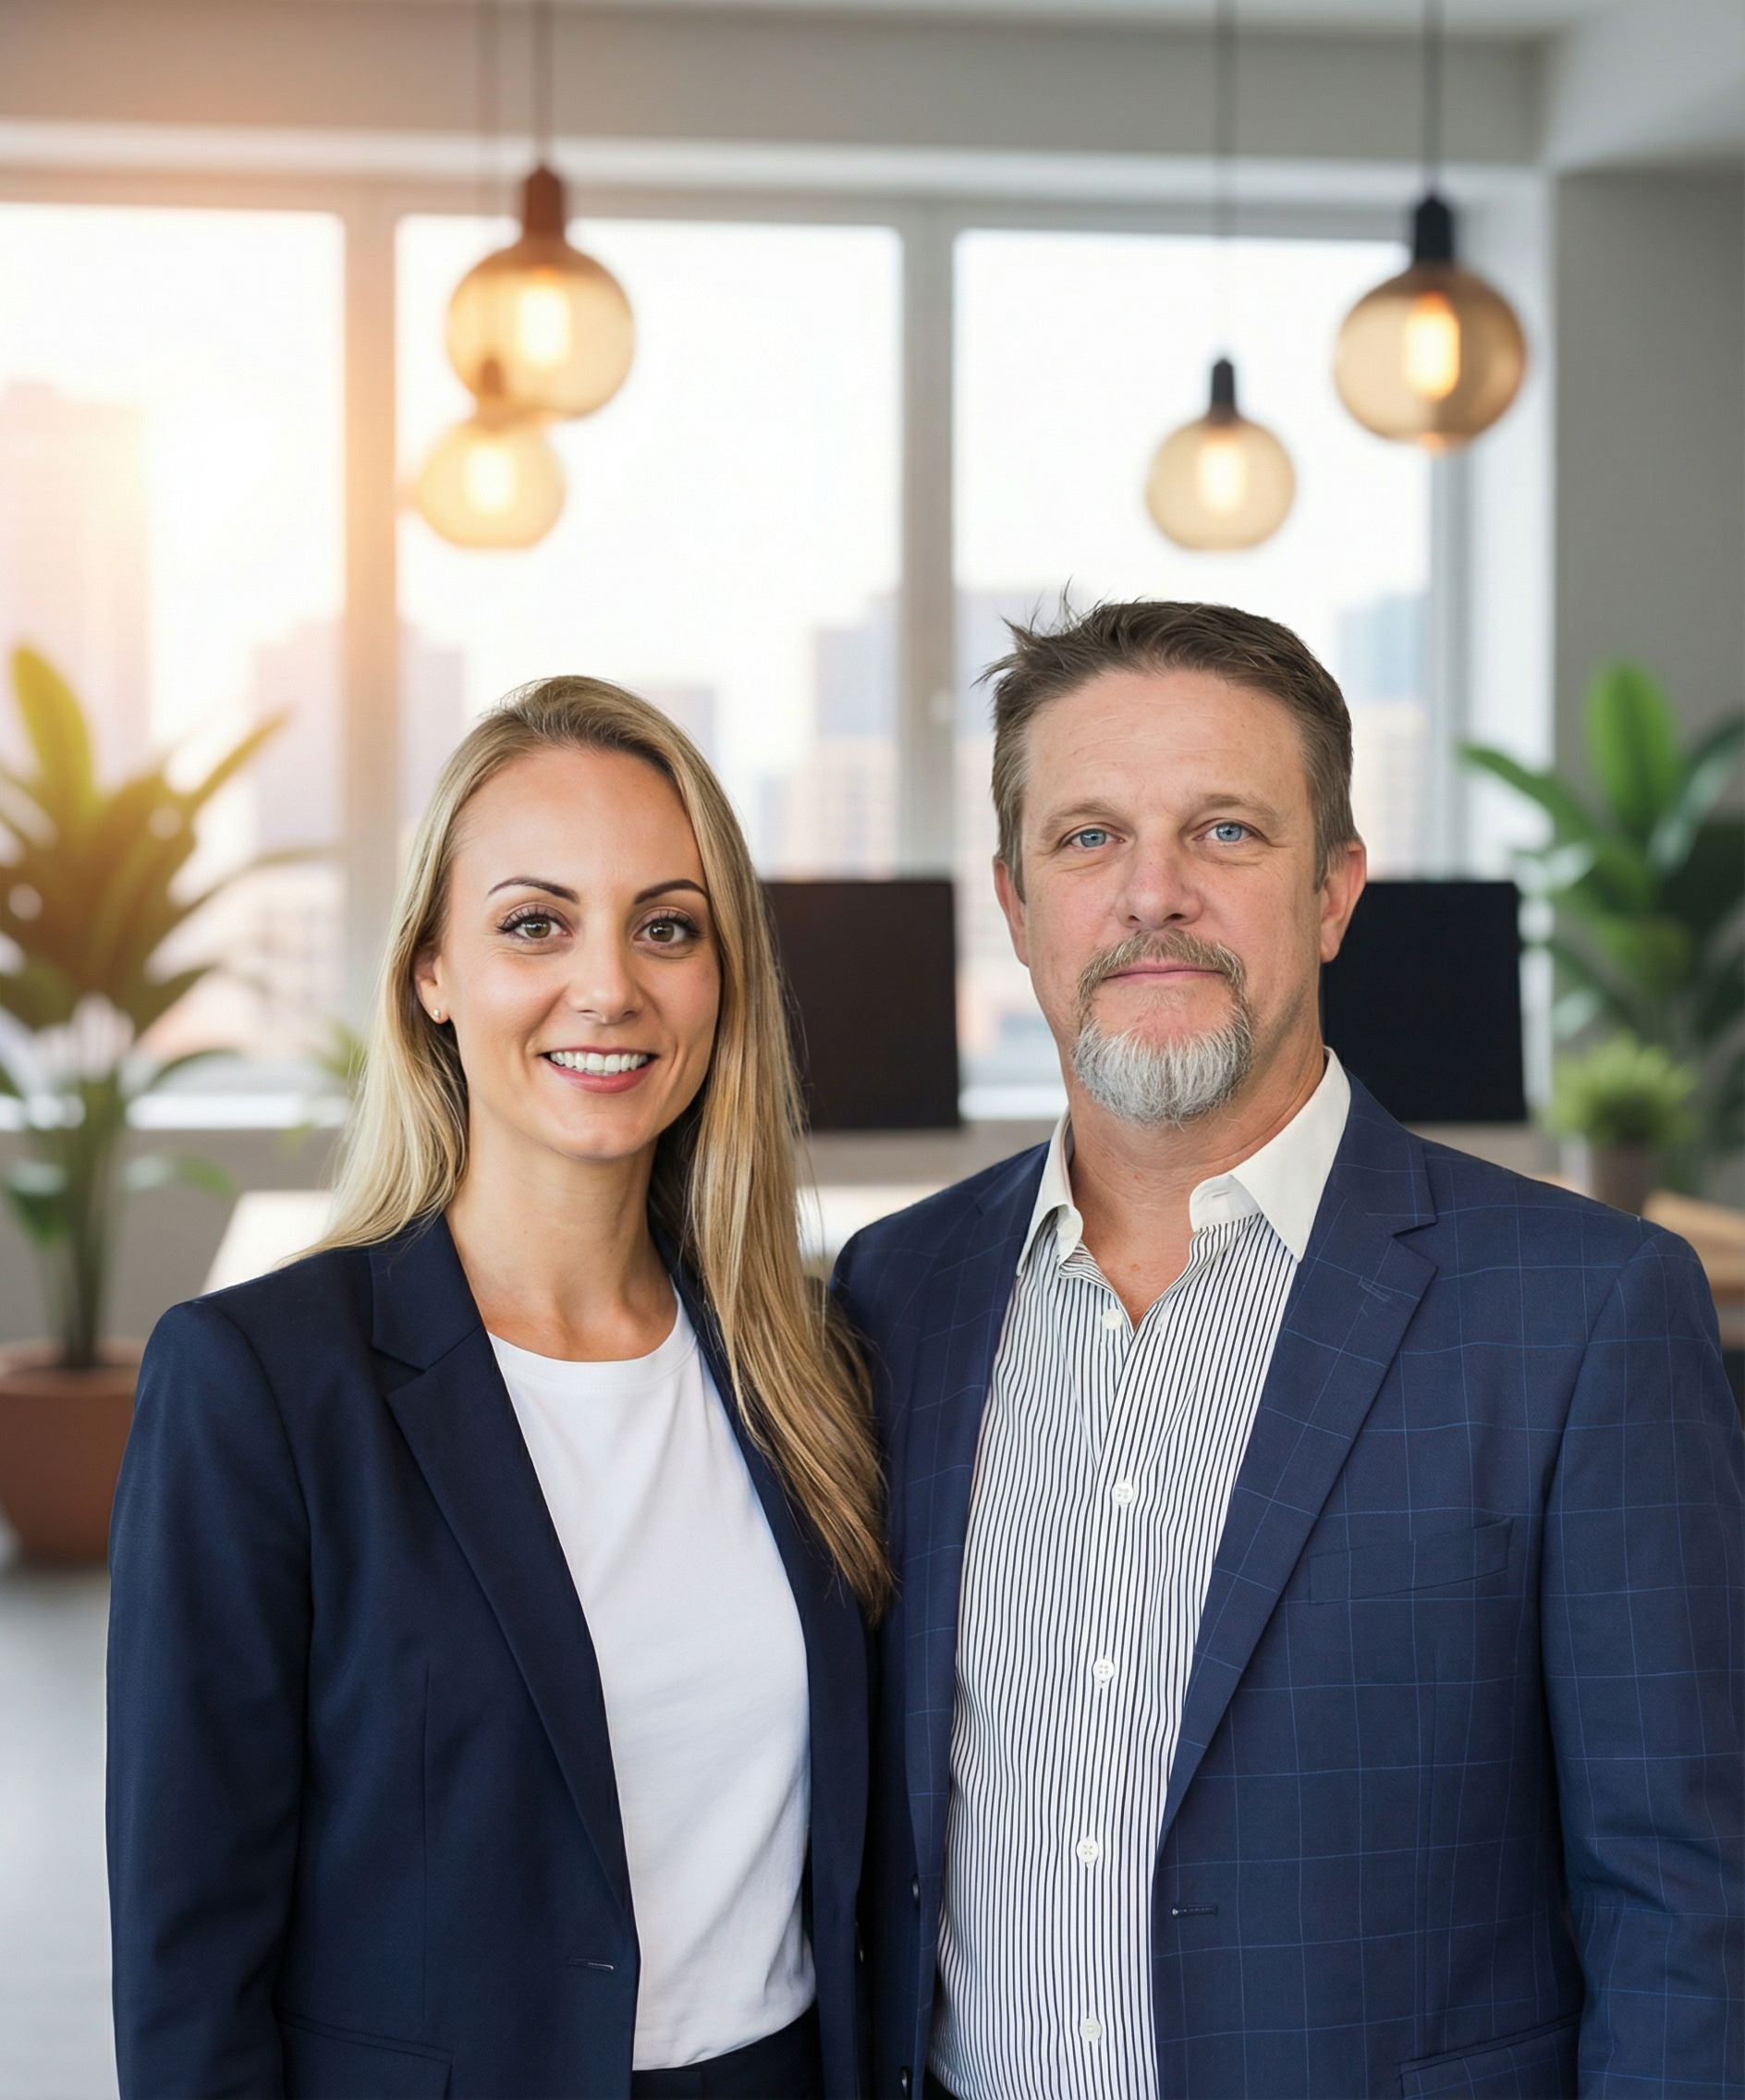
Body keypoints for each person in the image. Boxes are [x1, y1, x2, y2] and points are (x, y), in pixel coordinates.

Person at [836, 602, 1744, 2100]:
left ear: (1333, 891)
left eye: (1227, 833)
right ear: (1012, 902)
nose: (1153, 896)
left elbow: (1688, 1913)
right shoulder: (896, 1295)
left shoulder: (1584, 1316)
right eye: (1086, 840)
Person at [108, 678, 889, 2100]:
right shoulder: (262, 1387)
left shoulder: (812, 1366)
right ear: (431, 973)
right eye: (537, 923)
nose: (611, 986)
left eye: (669, 925)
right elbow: (188, 1959)